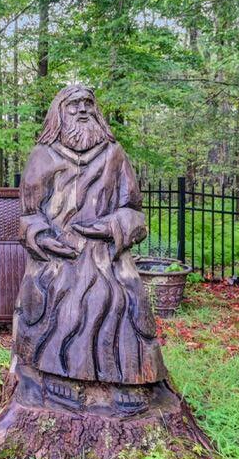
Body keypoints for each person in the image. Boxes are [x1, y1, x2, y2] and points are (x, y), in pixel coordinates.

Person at [13, 85, 166, 414]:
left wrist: (109, 227)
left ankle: (128, 380)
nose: (82, 110)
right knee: (60, 294)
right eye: (73, 105)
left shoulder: (114, 155)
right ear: (59, 112)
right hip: (59, 255)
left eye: (88, 104)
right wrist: (42, 237)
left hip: (106, 254)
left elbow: (134, 211)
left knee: (126, 295)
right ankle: (58, 376)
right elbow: (28, 215)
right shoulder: (43, 156)